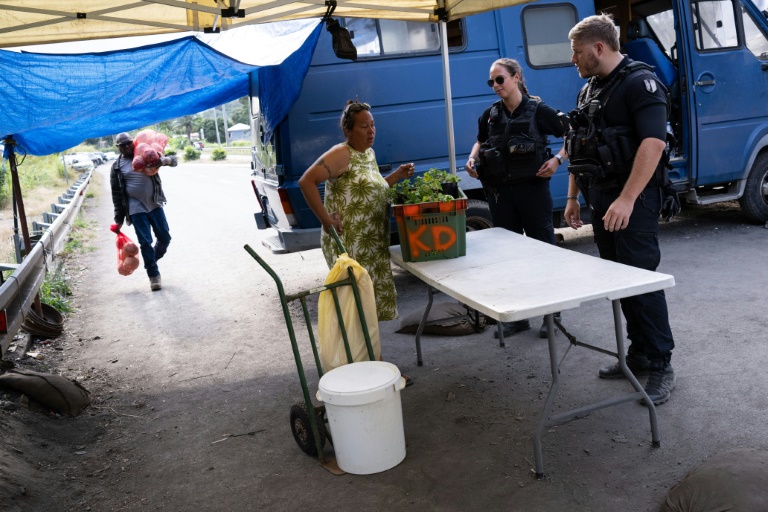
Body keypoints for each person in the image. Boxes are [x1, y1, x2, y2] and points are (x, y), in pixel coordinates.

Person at [564, 14, 676, 405]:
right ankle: (638, 354)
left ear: (599, 47)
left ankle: (661, 363)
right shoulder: (590, 89)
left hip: (634, 200)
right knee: (618, 282)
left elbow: (653, 145)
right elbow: (578, 144)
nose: (573, 60)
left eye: (578, 53)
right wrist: (573, 196)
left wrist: (627, 200)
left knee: (641, 281)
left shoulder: (638, 82)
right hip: (602, 200)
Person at [465, 58, 568, 339]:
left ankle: (551, 314)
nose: (495, 86)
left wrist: (558, 160)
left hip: (533, 191)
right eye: (491, 82)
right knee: (509, 257)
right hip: (500, 193)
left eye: (500, 79)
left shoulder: (539, 110)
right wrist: (473, 158)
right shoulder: (490, 114)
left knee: (543, 251)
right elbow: (480, 139)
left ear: (516, 77)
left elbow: (571, 134)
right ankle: (519, 317)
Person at [298, 100, 414, 322]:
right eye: (364, 126)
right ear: (347, 130)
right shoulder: (342, 153)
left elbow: (373, 191)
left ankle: (372, 354)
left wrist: (397, 176)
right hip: (350, 244)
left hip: (372, 243)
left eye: (373, 125)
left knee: (369, 311)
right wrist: (325, 220)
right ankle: (357, 355)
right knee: (355, 311)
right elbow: (307, 181)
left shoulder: (368, 154)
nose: (371, 131)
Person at [110, 132, 176, 291]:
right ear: (118, 148)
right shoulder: (117, 167)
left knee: (165, 237)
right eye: (122, 145)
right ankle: (154, 276)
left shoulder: (145, 154)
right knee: (145, 242)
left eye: (128, 143)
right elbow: (116, 194)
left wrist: (165, 161)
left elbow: (174, 161)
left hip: (155, 203)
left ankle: (150, 260)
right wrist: (118, 220)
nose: (126, 146)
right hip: (135, 208)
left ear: (133, 142)